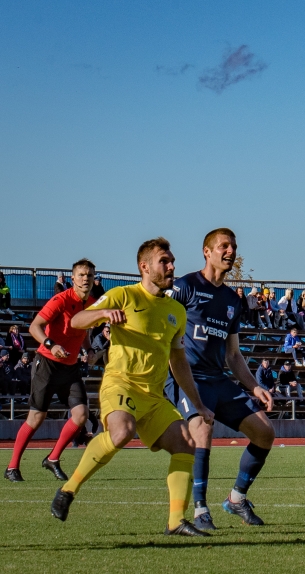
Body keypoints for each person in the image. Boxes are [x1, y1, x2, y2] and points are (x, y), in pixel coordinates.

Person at [52, 238, 214, 536]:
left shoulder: (176, 312)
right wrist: (102, 314)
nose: (171, 266)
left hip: (153, 397)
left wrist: (199, 405)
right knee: (122, 432)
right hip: (120, 384)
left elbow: (178, 362)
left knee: (186, 444)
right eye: (164, 261)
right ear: (145, 266)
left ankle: (176, 521)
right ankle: (68, 489)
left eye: (172, 260)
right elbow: (77, 320)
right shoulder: (123, 295)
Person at [163, 229, 276, 530]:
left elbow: (234, 355)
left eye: (234, 246)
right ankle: (200, 511)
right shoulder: (184, 287)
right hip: (186, 376)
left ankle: (236, 499)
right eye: (223, 246)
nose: (231, 251)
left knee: (265, 432)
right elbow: (162, 331)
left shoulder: (231, 300)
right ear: (206, 251)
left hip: (217, 378)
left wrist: (254, 386)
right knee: (202, 427)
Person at [5, 260, 99, 484]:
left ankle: (53, 458)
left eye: (90, 275)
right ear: (73, 278)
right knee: (36, 418)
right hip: (47, 364)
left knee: (81, 415)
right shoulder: (60, 299)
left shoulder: (94, 304)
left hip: (71, 368)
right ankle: (12, 467)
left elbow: (83, 332)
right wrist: (51, 344)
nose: (86, 278)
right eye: (82, 275)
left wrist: (89, 350)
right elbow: (34, 327)